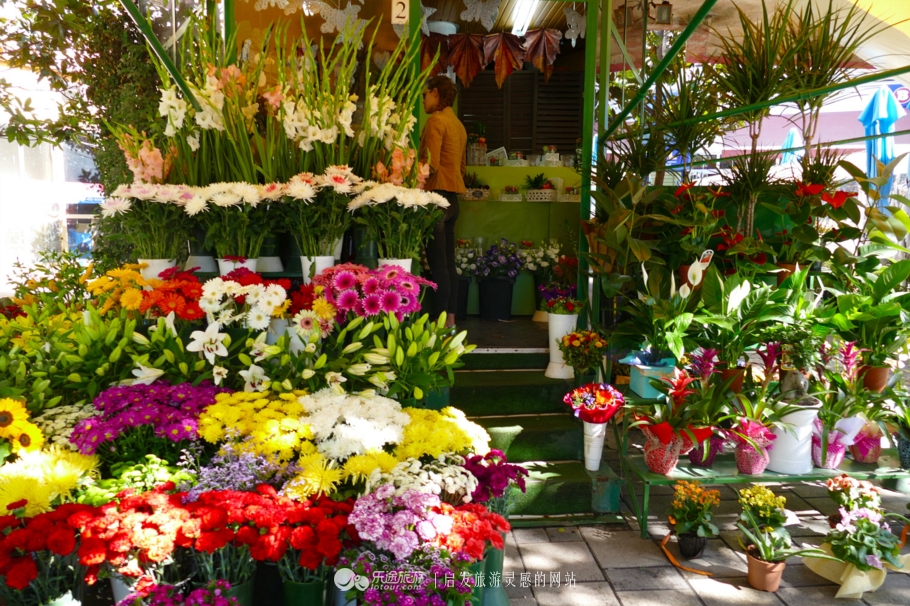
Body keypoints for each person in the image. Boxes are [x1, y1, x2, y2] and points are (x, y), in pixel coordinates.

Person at [419, 75, 467, 328]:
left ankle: (437, 325)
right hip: (453, 201)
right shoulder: (457, 124)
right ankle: (450, 320)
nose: (424, 100)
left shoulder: (436, 121)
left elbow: (431, 164)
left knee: (438, 267)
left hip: (436, 198)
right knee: (449, 265)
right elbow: (461, 167)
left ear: (435, 92)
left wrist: (412, 184)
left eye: (424, 94)